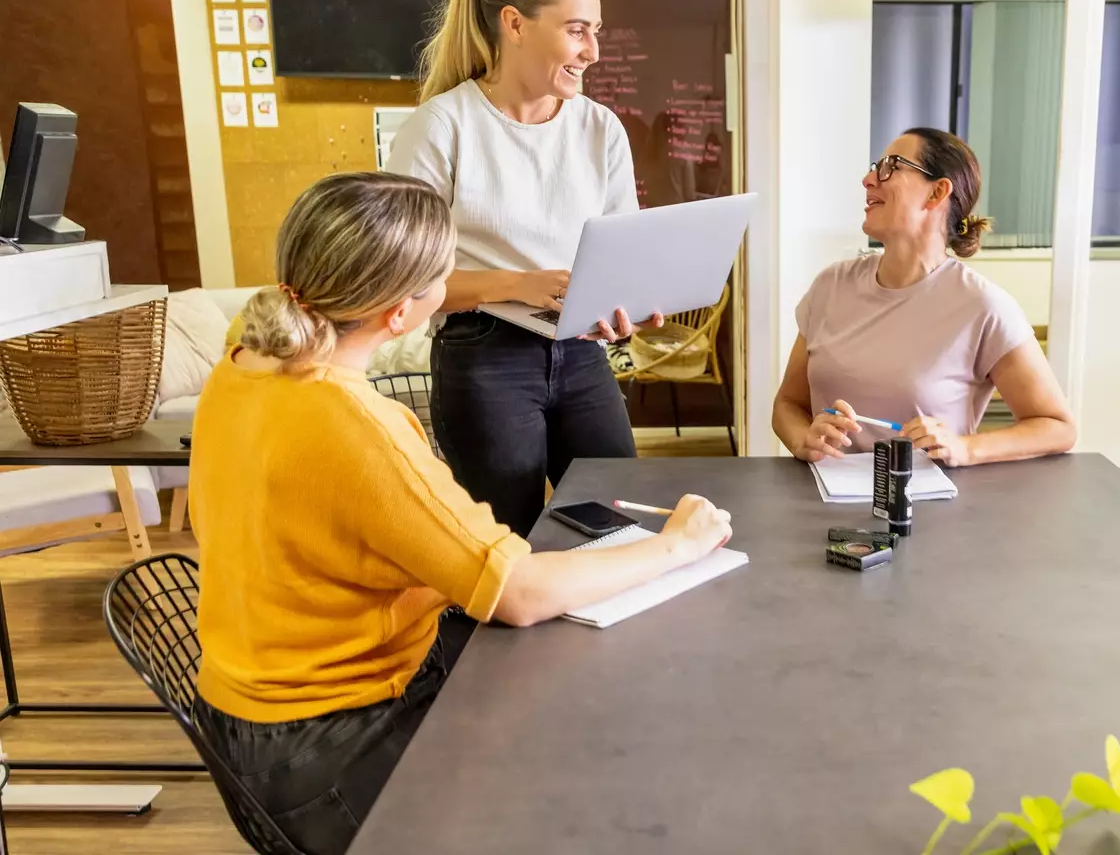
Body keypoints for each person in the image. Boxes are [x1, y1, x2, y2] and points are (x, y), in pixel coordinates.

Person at [189, 172, 732, 855]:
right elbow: (520, 594)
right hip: (328, 743)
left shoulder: (246, 358)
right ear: (400, 314)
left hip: (250, 715)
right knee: (598, 731)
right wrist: (677, 545)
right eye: (448, 272)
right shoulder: (356, 426)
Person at [385, 0, 659, 535]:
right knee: (504, 540)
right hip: (484, 356)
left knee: (619, 522)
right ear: (515, 24)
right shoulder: (442, 127)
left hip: (583, 353)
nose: (591, 51)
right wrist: (519, 285)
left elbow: (621, 251)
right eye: (577, 30)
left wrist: (626, 305)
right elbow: (399, 287)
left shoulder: (600, 128)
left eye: (596, 32)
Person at [772, 127, 1076, 467]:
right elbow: (788, 403)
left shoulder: (983, 306)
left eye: (891, 166)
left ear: (937, 193)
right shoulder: (830, 287)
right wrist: (803, 439)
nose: (869, 179)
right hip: (823, 504)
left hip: (927, 513)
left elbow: (1056, 427)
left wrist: (965, 448)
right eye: (875, 166)